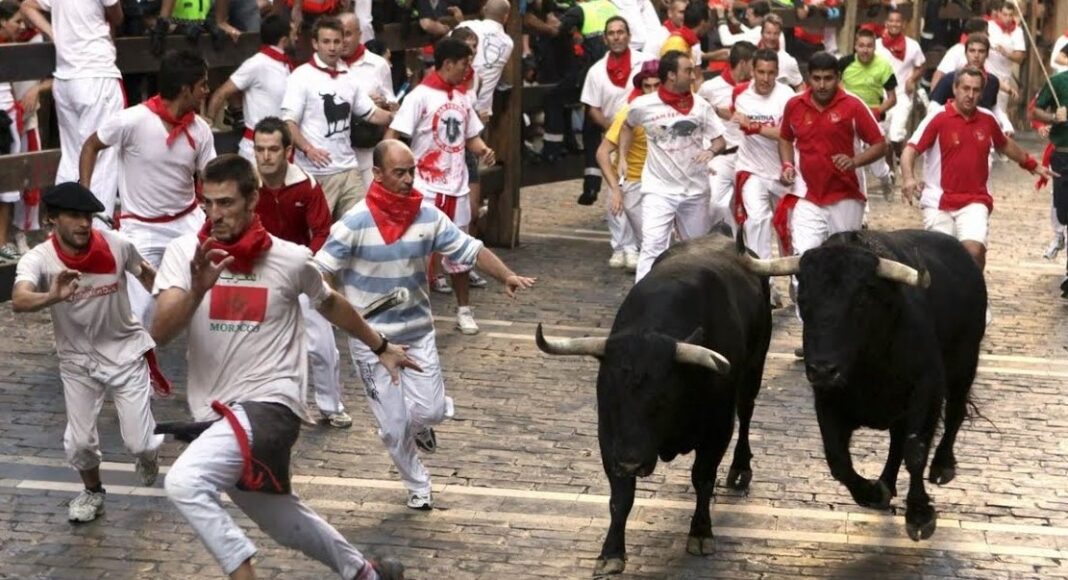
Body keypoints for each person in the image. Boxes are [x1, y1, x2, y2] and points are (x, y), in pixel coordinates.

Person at [152, 154, 414, 580]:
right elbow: (160, 332)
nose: (214, 215)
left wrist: (380, 345)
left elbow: (330, 304)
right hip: (217, 411)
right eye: (207, 204)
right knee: (279, 517)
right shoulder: (185, 253)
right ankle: (365, 573)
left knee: (183, 482)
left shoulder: (290, 259)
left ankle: (243, 572)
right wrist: (198, 290)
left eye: (226, 204)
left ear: (253, 199)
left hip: (272, 405)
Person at [315, 139, 535, 510]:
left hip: (417, 334)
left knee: (429, 412)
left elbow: (470, 248)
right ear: (378, 174)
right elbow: (319, 270)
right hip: (371, 342)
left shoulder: (428, 217)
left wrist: (506, 275)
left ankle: (422, 426)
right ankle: (418, 483)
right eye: (398, 173)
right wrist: (327, 302)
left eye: (411, 171)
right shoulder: (353, 223)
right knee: (391, 427)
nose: (407, 180)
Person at [12, 182, 163, 523]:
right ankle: (93, 492)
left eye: (88, 217)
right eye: (75, 216)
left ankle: (148, 452)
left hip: (125, 352)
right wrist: (52, 296)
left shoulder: (118, 245)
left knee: (140, 444)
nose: (84, 224)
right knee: (79, 444)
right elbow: (20, 300)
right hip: (77, 360)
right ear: (52, 219)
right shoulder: (39, 259)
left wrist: (179, 299)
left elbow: (150, 277)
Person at [79, 49, 217, 329]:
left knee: (210, 299)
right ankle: (140, 371)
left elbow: (210, 176)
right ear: (184, 89)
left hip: (187, 223)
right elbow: (91, 145)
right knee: (137, 314)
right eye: (202, 84)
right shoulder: (130, 120)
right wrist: (85, 195)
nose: (207, 90)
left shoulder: (200, 130)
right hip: (140, 229)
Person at [384, 36, 495, 335]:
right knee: (417, 255)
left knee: (460, 253)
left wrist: (482, 149)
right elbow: (394, 134)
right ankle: (417, 312)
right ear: (448, 64)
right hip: (425, 188)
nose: (467, 70)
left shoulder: (462, 98)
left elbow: (470, 135)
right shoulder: (419, 96)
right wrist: (386, 171)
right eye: (464, 64)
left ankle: (464, 310)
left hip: (457, 189)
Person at [901, 66, 1053, 279]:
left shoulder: (987, 118)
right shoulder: (937, 118)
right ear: (955, 88)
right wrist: (908, 178)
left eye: (975, 90)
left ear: (981, 93)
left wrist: (1031, 164)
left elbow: (1004, 144)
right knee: (939, 260)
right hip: (938, 201)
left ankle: (974, 302)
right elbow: (911, 149)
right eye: (965, 88)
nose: (970, 95)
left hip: (974, 200)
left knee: (974, 253)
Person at [251, 116, 351, 427]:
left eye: (273, 150)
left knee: (322, 345)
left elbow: (321, 230)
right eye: (260, 149)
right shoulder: (245, 185)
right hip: (257, 275)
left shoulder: (306, 185)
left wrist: (305, 260)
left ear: (288, 152)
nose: (266, 157)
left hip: (301, 273)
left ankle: (331, 406)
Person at [622, 50, 727, 281]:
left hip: (696, 191)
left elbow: (720, 140)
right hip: (658, 190)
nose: (693, 76)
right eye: (688, 70)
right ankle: (642, 301)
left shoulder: (701, 106)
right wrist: (622, 157)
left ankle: (697, 300)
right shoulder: (643, 105)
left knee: (698, 252)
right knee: (652, 246)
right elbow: (627, 126)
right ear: (671, 75)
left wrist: (710, 151)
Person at [19, 0, 125, 224]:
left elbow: (27, 5)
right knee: (102, 154)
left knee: (71, 155)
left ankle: (63, 224)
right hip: (96, 73)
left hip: (65, 78)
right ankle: (96, 227)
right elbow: (117, 16)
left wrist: (54, 32)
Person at [777, 50, 886, 263]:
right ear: (808, 78)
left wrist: (854, 162)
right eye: (816, 78)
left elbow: (880, 145)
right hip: (807, 195)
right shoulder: (794, 105)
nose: (822, 85)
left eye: (828, 78)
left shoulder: (853, 105)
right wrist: (788, 164)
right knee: (805, 259)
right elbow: (785, 138)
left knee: (844, 261)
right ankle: (801, 293)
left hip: (845, 196)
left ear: (838, 77)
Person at [281, 16, 393, 221]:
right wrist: (308, 149)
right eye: (326, 42)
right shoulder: (301, 76)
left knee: (359, 227)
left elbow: (371, 113)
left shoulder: (348, 76)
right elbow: (289, 123)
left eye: (336, 41)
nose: (332, 47)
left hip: (349, 168)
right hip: (315, 172)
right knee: (318, 233)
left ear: (343, 42)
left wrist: (398, 116)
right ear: (315, 44)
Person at [579, 16, 654, 268]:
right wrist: (616, 131)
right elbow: (593, 109)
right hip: (611, 135)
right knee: (615, 192)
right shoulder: (596, 71)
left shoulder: (644, 63)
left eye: (621, 32)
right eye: (611, 33)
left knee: (641, 193)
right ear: (605, 38)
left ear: (628, 35)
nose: (616, 37)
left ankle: (641, 245)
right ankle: (620, 245)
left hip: (647, 137)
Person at [732, 48, 793, 306]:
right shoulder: (741, 94)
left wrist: (754, 126)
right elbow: (735, 118)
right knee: (757, 220)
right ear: (752, 71)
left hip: (782, 171)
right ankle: (764, 284)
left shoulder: (787, 97)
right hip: (751, 169)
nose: (765, 78)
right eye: (761, 72)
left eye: (770, 73)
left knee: (789, 229)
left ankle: (794, 281)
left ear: (777, 73)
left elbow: (784, 133)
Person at [1005, 68, 1068, 297]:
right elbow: (1034, 112)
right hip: (1064, 155)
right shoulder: (1059, 82)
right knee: (1064, 213)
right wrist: (1053, 118)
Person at [595, 59, 660, 272]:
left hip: (663, 183)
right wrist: (615, 189)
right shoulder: (629, 112)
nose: (651, 91)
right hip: (633, 180)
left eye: (656, 85)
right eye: (647, 86)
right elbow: (603, 153)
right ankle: (626, 248)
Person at [206, 13, 296, 163]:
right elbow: (221, 93)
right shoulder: (256, 64)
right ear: (284, 40)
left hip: (282, 151)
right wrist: (207, 129)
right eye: (294, 35)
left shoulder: (286, 65)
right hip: (255, 153)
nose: (297, 38)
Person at [698, 40, 756, 236]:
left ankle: (747, 251)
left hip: (748, 157)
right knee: (715, 203)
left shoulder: (755, 89)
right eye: (752, 64)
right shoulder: (709, 88)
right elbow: (698, 121)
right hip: (721, 157)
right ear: (743, 63)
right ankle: (727, 245)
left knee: (750, 209)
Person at [339, 11, 398, 193]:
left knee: (370, 207)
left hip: (367, 151)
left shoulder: (378, 65)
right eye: (339, 35)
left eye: (348, 34)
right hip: (336, 154)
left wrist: (382, 104)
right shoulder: (327, 67)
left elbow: (393, 107)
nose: (343, 40)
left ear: (359, 34)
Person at [838, 27, 896, 197]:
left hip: (874, 117)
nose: (865, 50)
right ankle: (863, 212)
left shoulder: (884, 66)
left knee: (877, 169)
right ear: (855, 46)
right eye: (861, 45)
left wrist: (876, 112)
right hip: (850, 117)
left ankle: (887, 179)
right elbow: (834, 86)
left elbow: (892, 99)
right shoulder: (844, 63)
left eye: (869, 46)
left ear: (874, 47)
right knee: (855, 162)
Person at [875, 7, 925, 175]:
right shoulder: (876, 45)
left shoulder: (913, 46)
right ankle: (890, 171)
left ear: (903, 24)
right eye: (892, 21)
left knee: (897, 133)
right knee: (884, 136)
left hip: (902, 95)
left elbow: (921, 66)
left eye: (898, 21)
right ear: (886, 23)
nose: (895, 24)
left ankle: (902, 159)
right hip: (881, 96)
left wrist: (912, 79)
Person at [455, 0, 514, 119]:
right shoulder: (508, 43)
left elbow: (450, 43)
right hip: (483, 109)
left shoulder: (467, 26)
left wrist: (460, 22)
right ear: (506, 17)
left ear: (484, 9)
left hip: (457, 103)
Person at [757, 13, 803, 91]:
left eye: (775, 33)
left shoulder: (788, 60)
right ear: (762, 33)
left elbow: (800, 85)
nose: (772, 38)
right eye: (768, 33)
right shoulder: (752, 55)